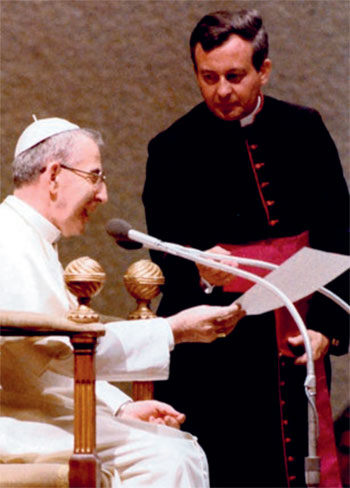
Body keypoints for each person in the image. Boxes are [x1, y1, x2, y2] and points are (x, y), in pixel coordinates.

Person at [142, 9, 350, 488]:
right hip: (217, 338)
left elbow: (337, 234)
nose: (222, 90)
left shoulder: (304, 128)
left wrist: (327, 330)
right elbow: (164, 249)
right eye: (208, 77)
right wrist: (199, 270)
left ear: (264, 70)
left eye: (235, 76)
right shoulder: (171, 148)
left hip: (296, 326)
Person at [0, 116, 245, 488]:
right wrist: (174, 331)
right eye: (95, 176)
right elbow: (59, 351)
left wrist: (120, 406)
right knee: (167, 458)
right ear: (53, 175)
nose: (102, 195)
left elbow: (51, 359)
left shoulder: (32, 240)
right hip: (15, 419)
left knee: (171, 446)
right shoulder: (11, 242)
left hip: (35, 410)